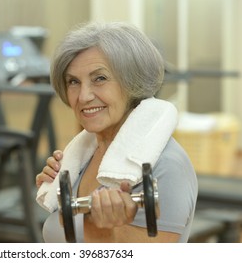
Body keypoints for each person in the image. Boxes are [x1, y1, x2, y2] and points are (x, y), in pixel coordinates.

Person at [35, 21, 198, 243]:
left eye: (99, 78)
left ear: (133, 82)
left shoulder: (167, 167)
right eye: (73, 81)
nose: (83, 97)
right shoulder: (81, 156)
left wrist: (99, 226)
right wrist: (54, 187)